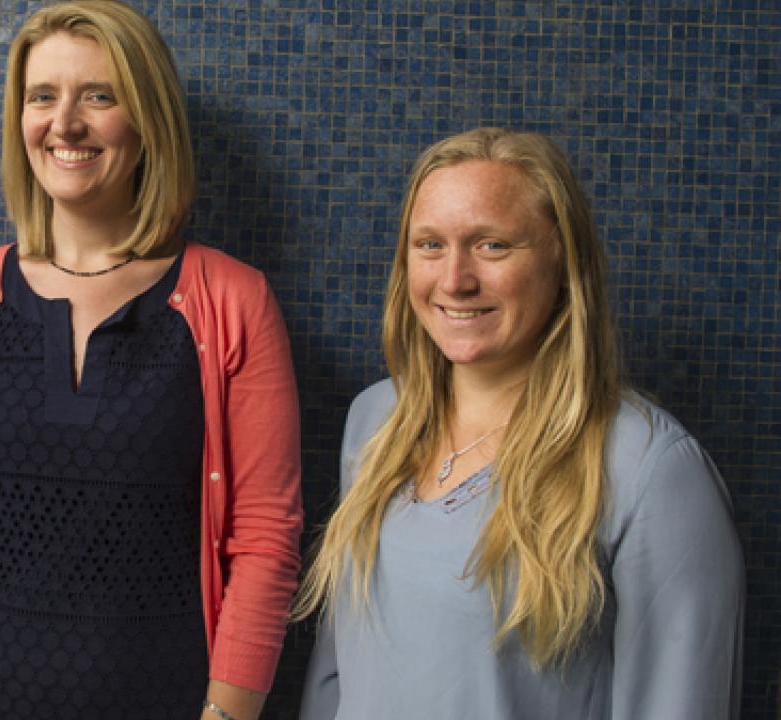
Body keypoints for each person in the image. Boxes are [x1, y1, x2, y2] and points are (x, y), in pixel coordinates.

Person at [0, 2, 303, 719]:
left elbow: (265, 540)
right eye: (42, 97)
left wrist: (226, 715)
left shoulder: (235, 301)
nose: (65, 123)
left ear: (147, 120)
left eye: (98, 96)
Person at [296, 127, 744, 719]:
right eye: (429, 245)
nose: (454, 279)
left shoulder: (649, 468)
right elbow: (337, 676)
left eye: (493, 246)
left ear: (563, 262)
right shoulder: (376, 421)